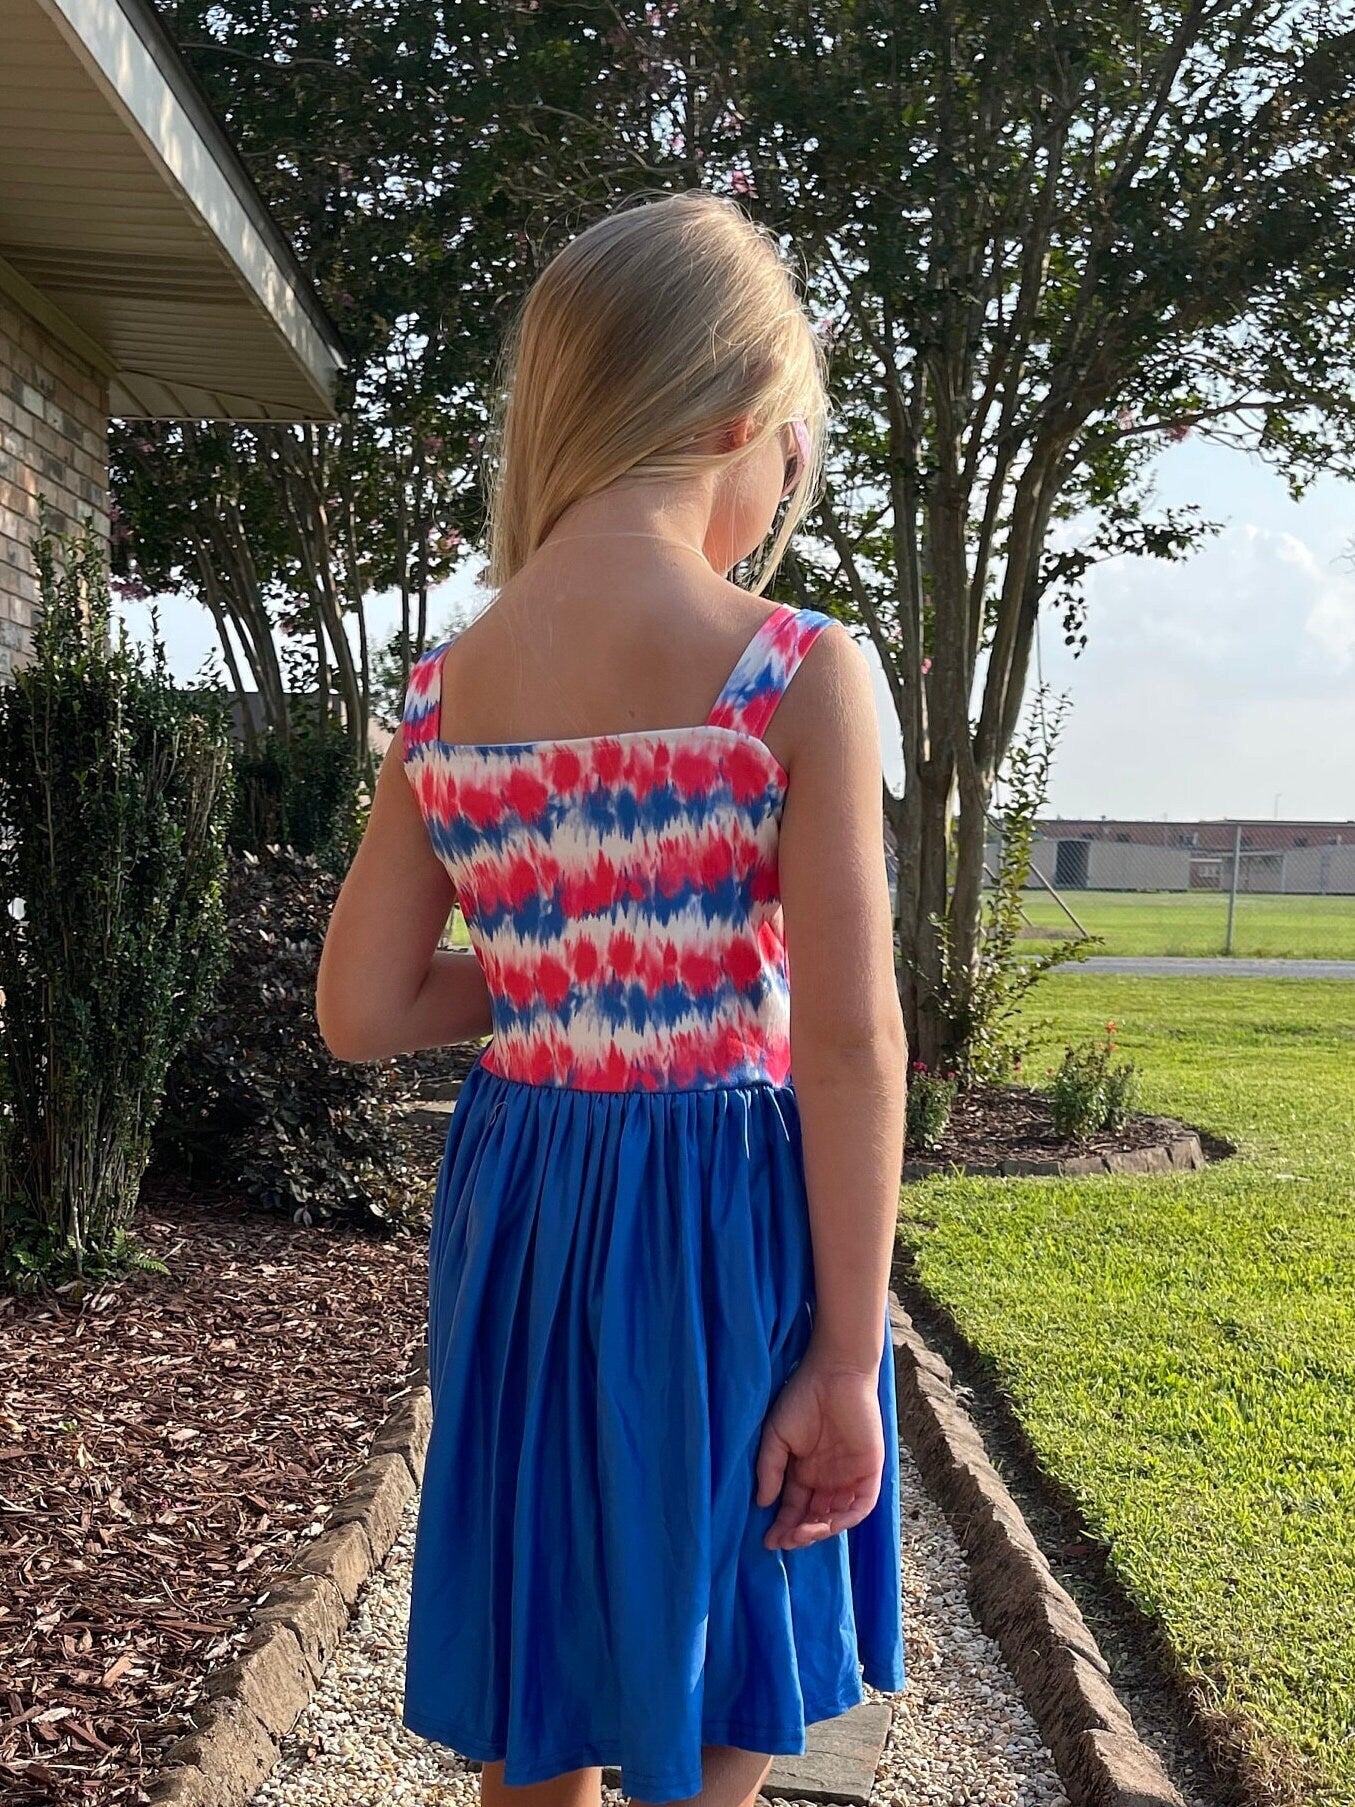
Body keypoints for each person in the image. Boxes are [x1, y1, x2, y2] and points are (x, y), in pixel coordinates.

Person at [316, 188, 908, 1807]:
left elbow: (361, 1009)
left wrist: (548, 980)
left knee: (546, 1626)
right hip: (718, 1221)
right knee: (718, 1622)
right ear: (738, 415)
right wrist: (848, 1357)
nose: (789, 485)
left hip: (527, 1202)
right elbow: (851, 1043)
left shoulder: (449, 688)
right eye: (796, 447)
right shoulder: (791, 670)